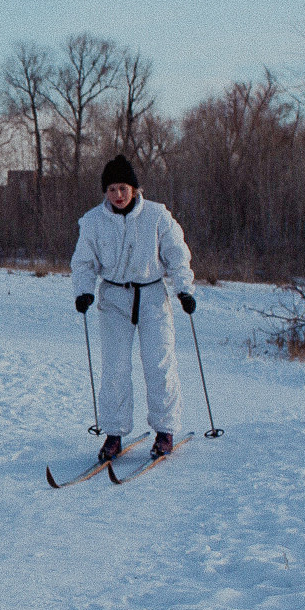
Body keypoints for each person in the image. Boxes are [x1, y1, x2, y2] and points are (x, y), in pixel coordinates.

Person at [70, 154, 197, 464]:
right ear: (105, 191)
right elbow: (84, 262)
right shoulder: (93, 222)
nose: (118, 195)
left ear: (135, 188)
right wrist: (84, 291)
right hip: (114, 298)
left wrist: (184, 289)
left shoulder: (157, 216)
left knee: (159, 363)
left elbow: (176, 254)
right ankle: (114, 434)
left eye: (123, 188)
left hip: (152, 296)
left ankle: (165, 430)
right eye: (112, 189)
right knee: (114, 367)